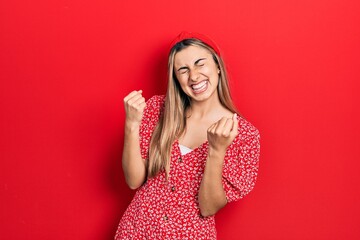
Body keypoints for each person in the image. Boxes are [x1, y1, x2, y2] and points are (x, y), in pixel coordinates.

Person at [114, 32, 260, 239]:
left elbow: (208, 207)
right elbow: (134, 180)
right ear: (176, 79)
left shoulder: (244, 136)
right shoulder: (158, 109)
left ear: (217, 65)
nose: (193, 76)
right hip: (137, 230)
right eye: (183, 70)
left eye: (200, 63)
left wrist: (217, 150)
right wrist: (131, 124)